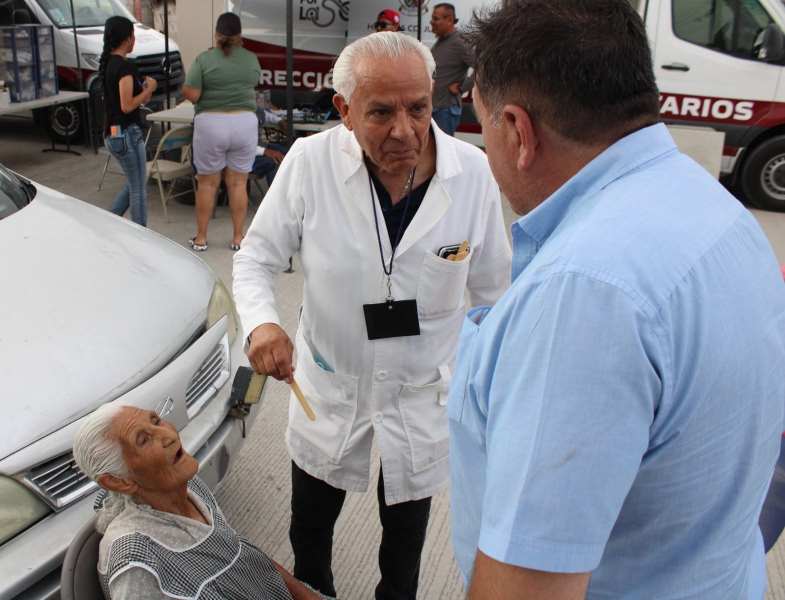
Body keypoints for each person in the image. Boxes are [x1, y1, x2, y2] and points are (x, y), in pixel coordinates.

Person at [448, 1, 785, 599]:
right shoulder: (717, 212)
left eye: (485, 127)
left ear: (519, 132)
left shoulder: (583, 293)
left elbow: (528, 589)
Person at [233, 32, 511, 600]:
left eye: (418, 108)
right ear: (344, 110)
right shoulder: (310, 165)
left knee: (404, 546)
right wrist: (263, 322)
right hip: (328, 387)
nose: (404, 131)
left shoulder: (472, 174)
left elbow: (493, 296)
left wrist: (483, 394)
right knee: (310, 533)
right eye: (380, 113)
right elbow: (255, 257)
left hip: (421, 395)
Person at [72, 403, 332, 600]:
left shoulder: (188, 485)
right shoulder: (135, 565)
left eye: (156, 421)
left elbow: (242, 555)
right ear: (119, 482)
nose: (169, 435)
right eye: (144, 439)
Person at [182, 12, 261, 252]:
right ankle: (238, 238)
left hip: (211, 123)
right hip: (245, 123)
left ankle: (201, 239)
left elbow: (193, 94)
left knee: (207, 184)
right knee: (238, 183)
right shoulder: (251, 59)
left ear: (217, 34)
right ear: (239, 35)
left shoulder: (204, 59)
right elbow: (254, 84)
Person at [99, 16, 157, 227]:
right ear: (126, 39)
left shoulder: (109, 64)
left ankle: (109, 222)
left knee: (135, 182)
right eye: (133, 36)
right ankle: (142, 236)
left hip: (115, 134)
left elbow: (136, 98)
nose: (135, 40)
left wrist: (146, 88)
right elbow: (127, 105)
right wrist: (150, 88)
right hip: (127, 134)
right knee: (139, 188)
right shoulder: (124, 67)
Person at [429, 3, 472, 137]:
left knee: (443, 152)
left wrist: (461, 88)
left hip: (445, 111)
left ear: (449, 20)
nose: (432, 22)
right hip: (434, 108)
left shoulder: (460, 42)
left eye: (436, 19)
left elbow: (483, 68)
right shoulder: (440, 42)